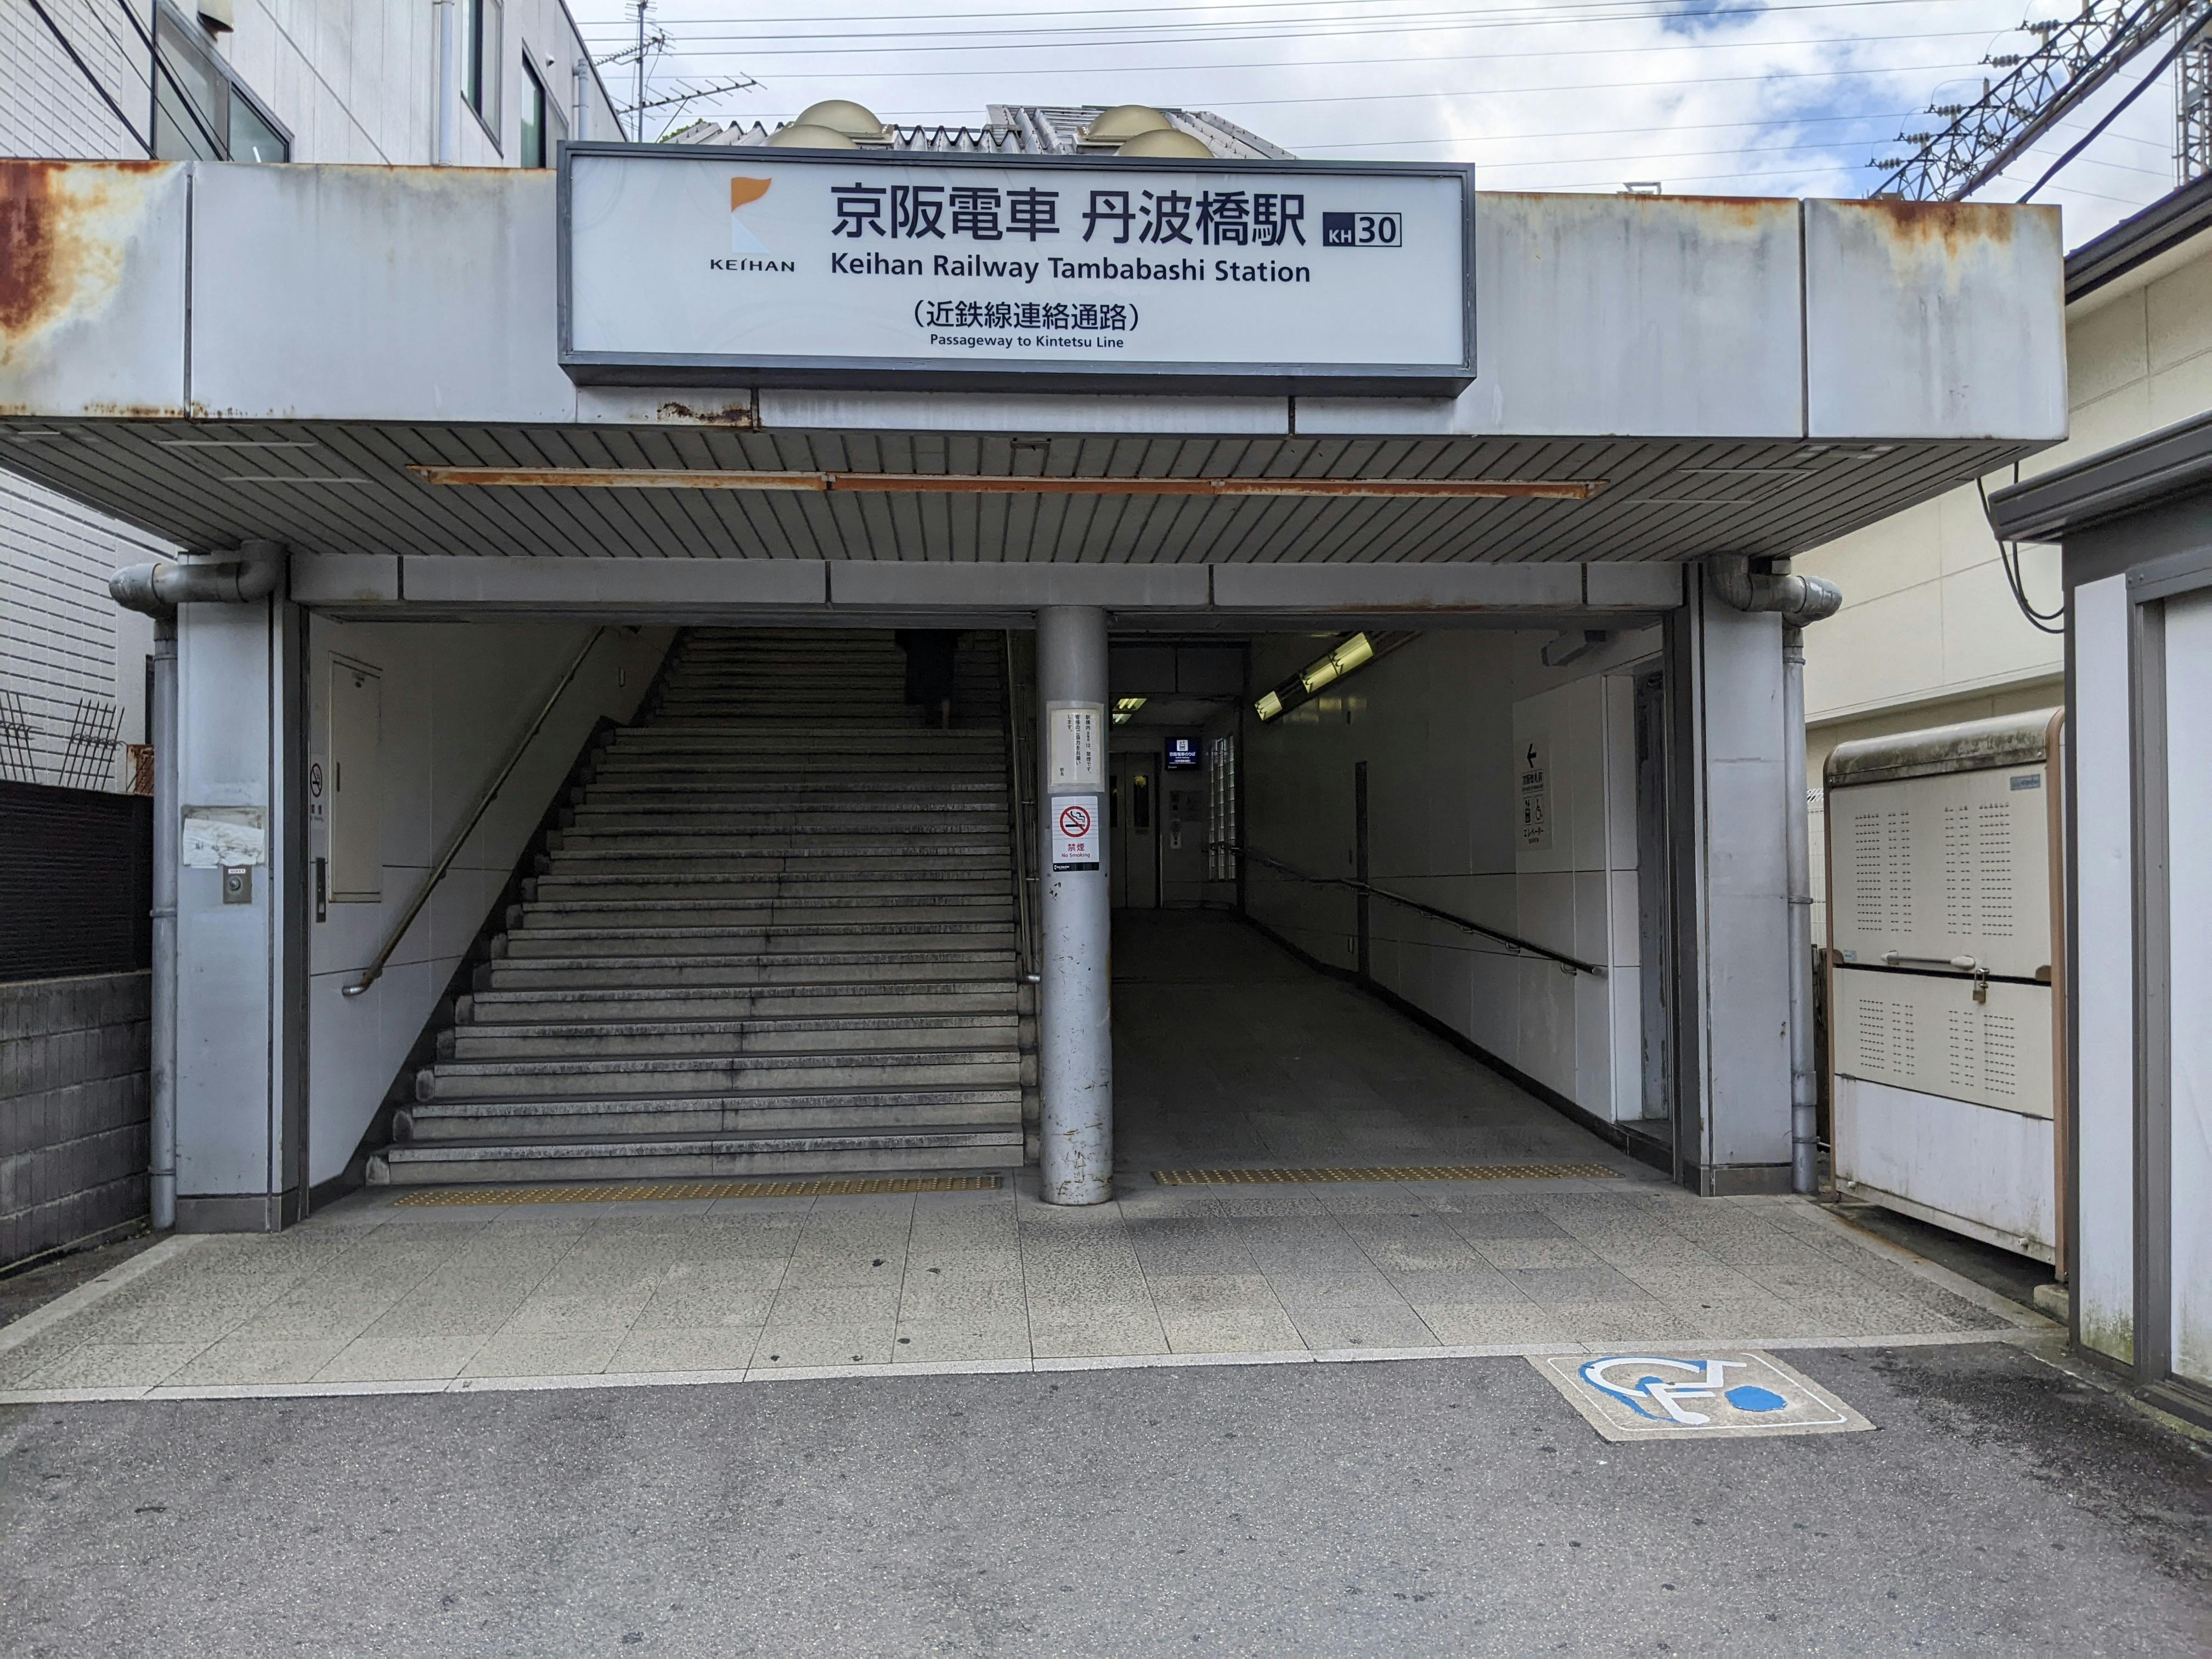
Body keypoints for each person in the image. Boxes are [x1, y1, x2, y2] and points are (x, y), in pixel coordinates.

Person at [894, 630, 961, 730]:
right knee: (944, 684)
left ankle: (931, 714)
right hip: (942, 643)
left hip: (924, 643)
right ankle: (944, 719)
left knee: (928, 682)